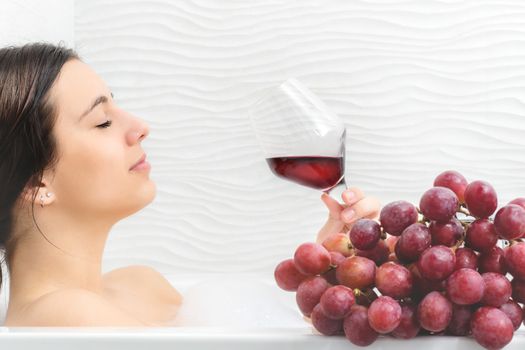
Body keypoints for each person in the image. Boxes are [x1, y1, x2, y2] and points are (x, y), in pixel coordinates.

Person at [0, 42, 380, 327]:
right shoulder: (63, 316)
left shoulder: (140, 284)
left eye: (117, 105)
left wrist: (330, 271)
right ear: (36, 180)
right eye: (102, 121)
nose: (140, 126)